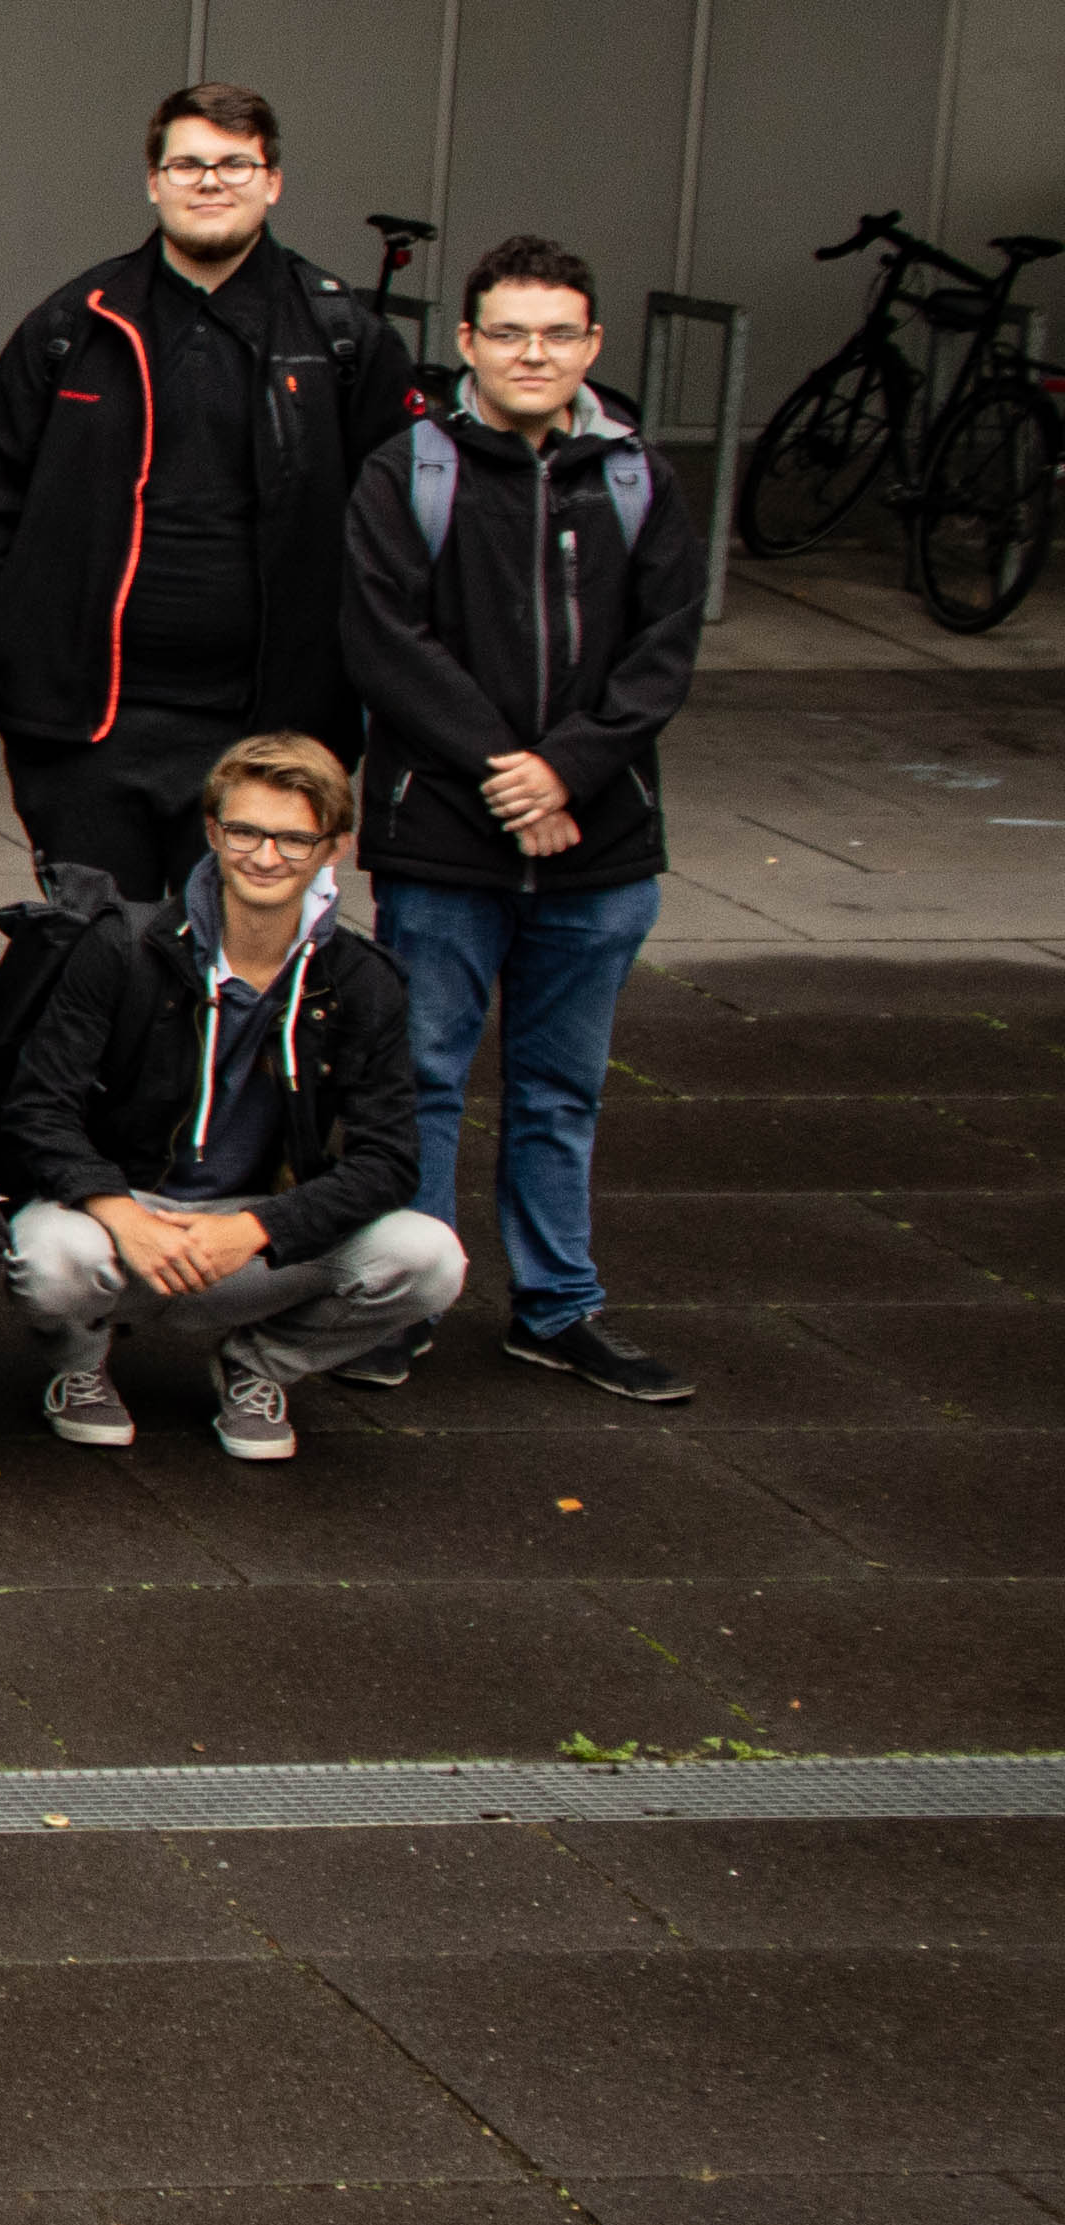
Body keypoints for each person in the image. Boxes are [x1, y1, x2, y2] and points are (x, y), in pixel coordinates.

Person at [346, 232, 708, 1408]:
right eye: (508, 332)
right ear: (468, 341)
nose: (533, 353)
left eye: (558, 333)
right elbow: (387, 642)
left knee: (563, 1089)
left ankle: (558, 1306)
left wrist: (567, 773)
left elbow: (663, 651)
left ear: (593, 344)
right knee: (425, 1078)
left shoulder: (640, 477)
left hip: (601, 843)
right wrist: (511, 775)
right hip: (445, 839)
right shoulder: (407, 469)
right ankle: (407, 1302)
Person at [0, 81, 417, 896]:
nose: (210, 182)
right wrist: (12, 638)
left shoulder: (343, 339)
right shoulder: (75, 323)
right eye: (188, 165)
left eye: (235, 164)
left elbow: (398, 531)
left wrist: (345, 685)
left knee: (242, 957)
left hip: (271, 734)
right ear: (153, 181)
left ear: (273, 182)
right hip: (86, 734)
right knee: (96, 951)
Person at [0, 735, 464, 1459]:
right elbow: (37, 1107)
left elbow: (390, 1161)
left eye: (294, 839)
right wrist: (123, 1214)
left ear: (335, 848)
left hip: (253, 1233)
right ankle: (78, 1367)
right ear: (213, 833)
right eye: (245, 832)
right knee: (51, 1260)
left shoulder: (362, 980)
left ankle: (258, 1366)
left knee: (430, 1258)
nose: (266, 857)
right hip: (127, 1215)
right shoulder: (125, 946)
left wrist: (256, 1228)